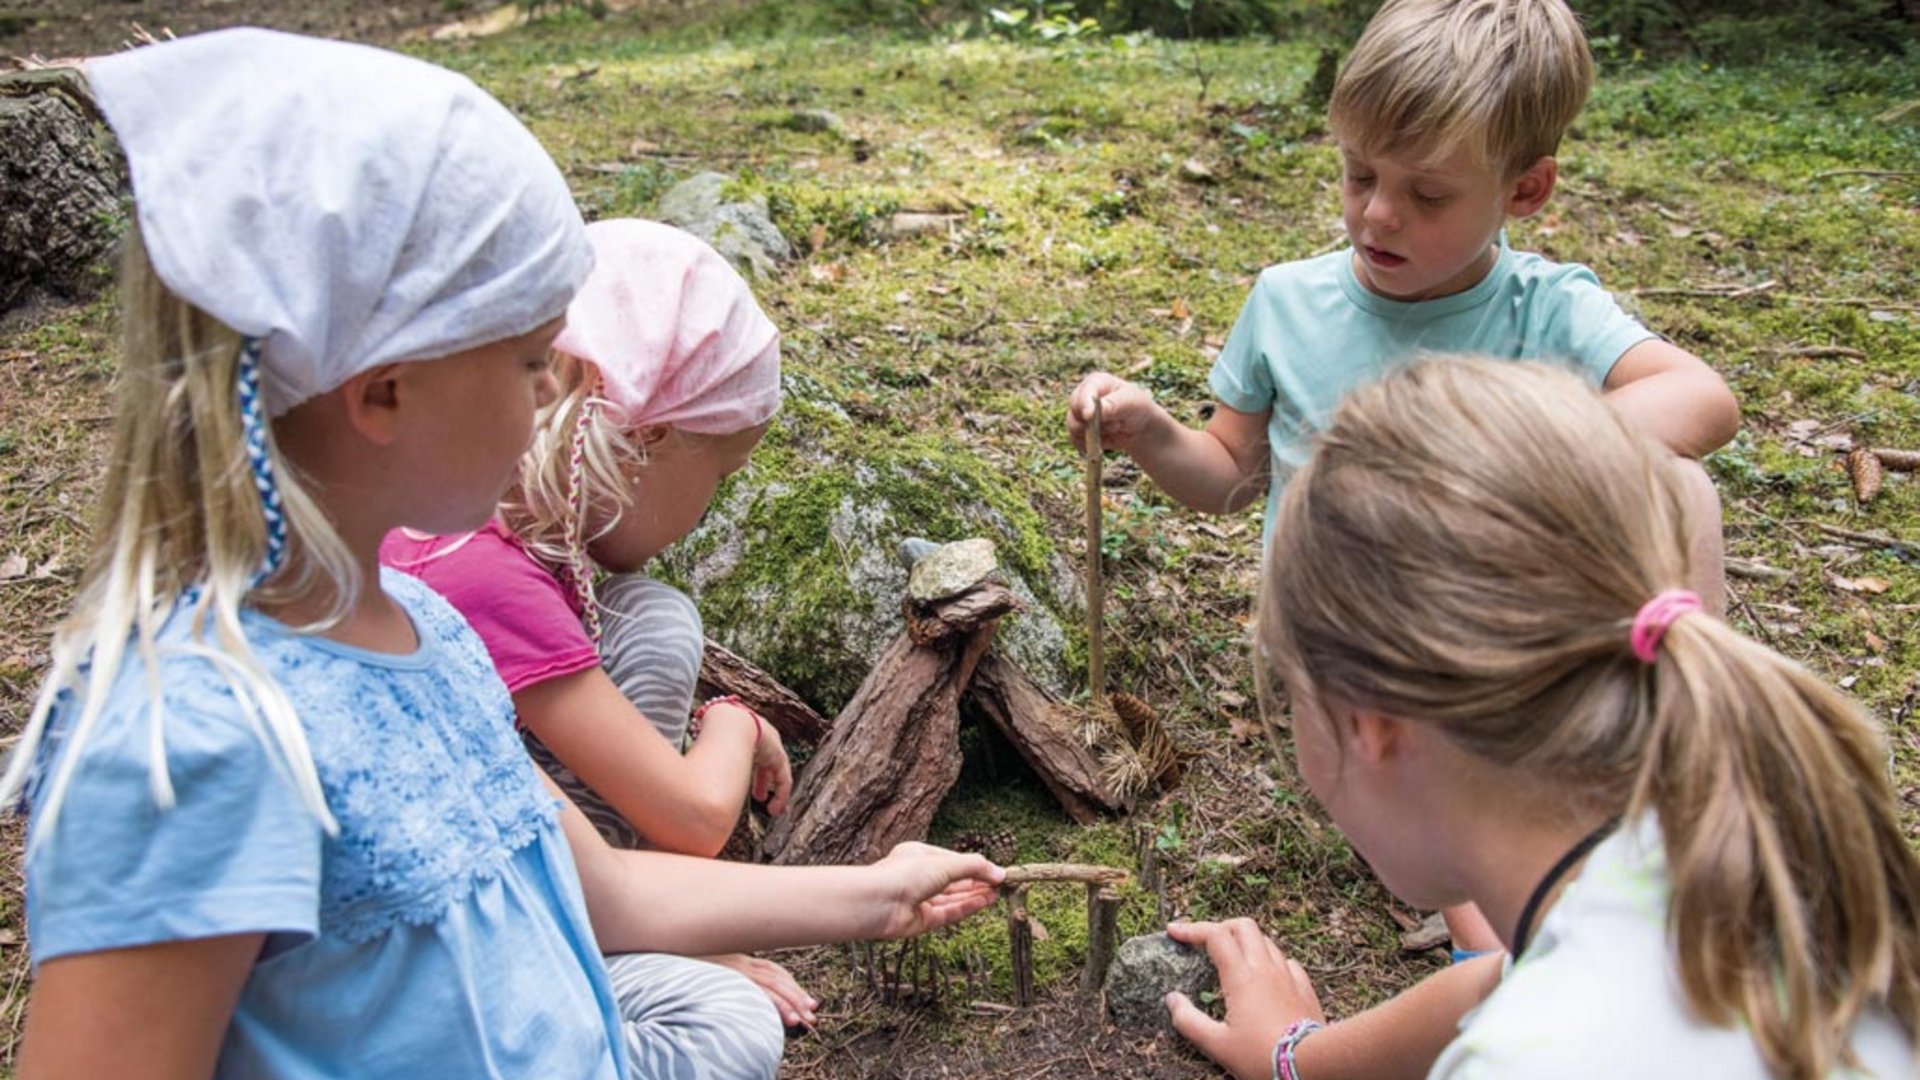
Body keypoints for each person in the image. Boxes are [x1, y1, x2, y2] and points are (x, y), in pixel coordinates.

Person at [3, 29, 1002, 1080]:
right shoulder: (198, 746)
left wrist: (877, 893)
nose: (552, 399)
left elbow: (602, 892)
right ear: (385, 391)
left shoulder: (424, 630)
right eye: (532, 359)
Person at [1066, 0, 1739, 957]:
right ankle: (1492, 930)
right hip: (1341, 656)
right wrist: (1149, 432)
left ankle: (1616, 834)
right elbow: (1227, 477)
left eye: (1427, 195)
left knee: (1680, 497)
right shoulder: (1288, 303)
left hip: (1499, 644)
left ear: (1526, 189)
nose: (1379, 213)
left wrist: (1490, 455)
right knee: (1452, 782)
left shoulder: (1545, 308)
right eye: (1358, 175)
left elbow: (1700, 401)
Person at [1163, 357, 1919, 1080]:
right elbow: (1505, 977)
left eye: (1291, 688)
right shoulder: (1757, 849)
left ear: (1369, 722)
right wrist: (1294, 1057)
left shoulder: (1533, 1059)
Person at [381, 217, 816, 1028]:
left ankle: (638, 920)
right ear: (648, 435)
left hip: (491, 868)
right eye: (717, 475)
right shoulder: (484, 576)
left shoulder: (453, 516)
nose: (704, 511)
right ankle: (640, 932)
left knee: (644, 608)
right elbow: (691, 817)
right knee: (727, 1030)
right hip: (461, 947)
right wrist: (736, 722)